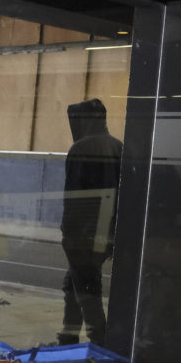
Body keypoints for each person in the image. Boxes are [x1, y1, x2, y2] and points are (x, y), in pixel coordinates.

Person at [58, 98, 123, 346]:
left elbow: (74, 198)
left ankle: (100, 341)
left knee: (87, 289)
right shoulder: (119, 146)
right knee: (73, 282)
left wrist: (68, 234)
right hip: (108, 231)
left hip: (82, 234)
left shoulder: (80, 149)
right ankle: (68, 336)